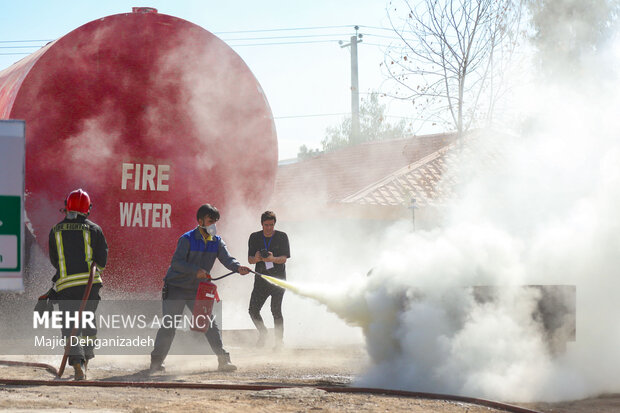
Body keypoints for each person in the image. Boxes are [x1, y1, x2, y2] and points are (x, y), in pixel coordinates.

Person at [150, 203, 250, 373]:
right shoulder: (187, 239)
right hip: (176, 287)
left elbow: (227, 259)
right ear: (200, 221)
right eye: (210, 221)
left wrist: (238, 267)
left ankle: (223, 360)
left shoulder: (217, 242)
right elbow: (176, 263)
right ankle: (156, 362)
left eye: (215, 221)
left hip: (197, 289)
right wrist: (196, 271)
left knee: (209, 323)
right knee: (169, 325)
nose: (213, 225)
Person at [48, 188, 108, 381]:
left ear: (67, 207)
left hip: (66, 286)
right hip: (91, 286)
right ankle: (86, 360)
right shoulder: (95, 229)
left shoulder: (55, 230)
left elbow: (55, 260)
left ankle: (76, 362)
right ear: (87, 208)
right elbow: (102, 262)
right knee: (88, 321)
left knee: (70, 325)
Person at [248, 211, 290, 349]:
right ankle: (263, 333)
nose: (269, 228)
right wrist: (258, 258)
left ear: (274, 224)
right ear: (261, 224)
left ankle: (279, 342)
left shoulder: (282, 236)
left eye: (271, 225)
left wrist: (272, 259)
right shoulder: (254, 237)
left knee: (276, 310)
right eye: (266, 225)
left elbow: (284, 258)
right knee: (253, 310)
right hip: (261, 280)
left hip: (278, 280)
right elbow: (250, 260)